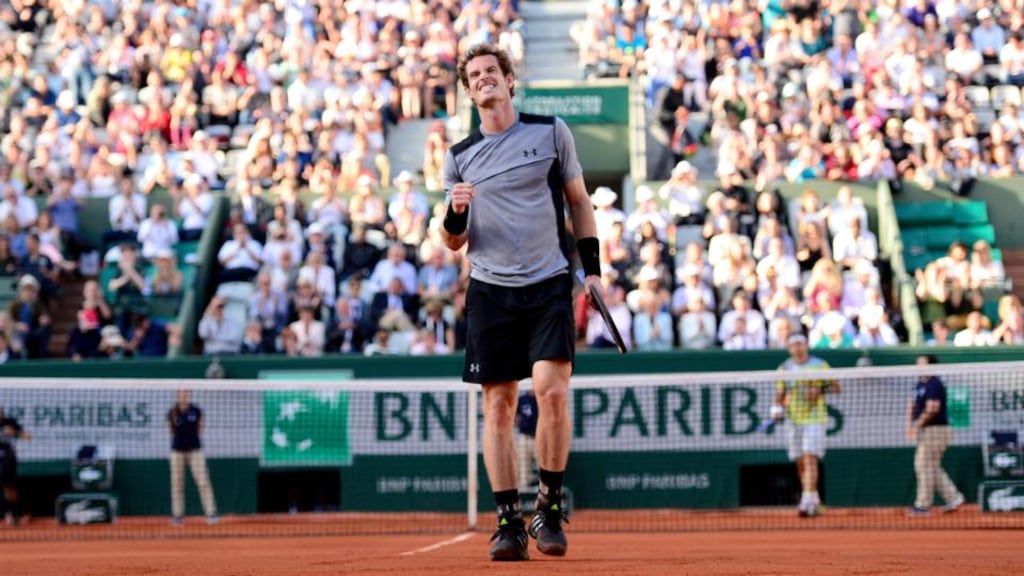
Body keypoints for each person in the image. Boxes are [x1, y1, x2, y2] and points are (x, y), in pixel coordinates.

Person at [442, 43, 602, 561]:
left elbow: (579, 201)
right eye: (476, 75)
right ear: (469, 91)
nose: (485, 79)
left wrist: (592, 271)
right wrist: (455, 212)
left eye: (493, 71)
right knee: (498, 406)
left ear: (510, 81)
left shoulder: (551, 131)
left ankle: (549, 508)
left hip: (550, 281)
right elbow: (452, 242)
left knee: (552, 392)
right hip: (490, 291)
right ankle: (508, 522)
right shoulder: (459, 156)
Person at [771, 334, 840, 518]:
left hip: (815, 419)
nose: (798, 348)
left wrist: (819, 389)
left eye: (800, 344)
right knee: (800, 461)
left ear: (806, 346)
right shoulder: (784, 368)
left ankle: (805, 501)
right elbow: (780, 392)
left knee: (810, 458)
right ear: (789, 349)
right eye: (794, 345)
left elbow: (836, 387)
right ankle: (813, 499)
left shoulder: (820, 365)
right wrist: (776, 408)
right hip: (793, 420)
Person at [907, 355, 965, 516]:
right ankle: (953, 497)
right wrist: (910, 426)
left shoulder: (934, 384)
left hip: (937, 430)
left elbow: (933, 408)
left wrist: (917, 424)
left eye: (923, 364)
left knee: (923, 464)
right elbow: (911, 405)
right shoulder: (919, 384)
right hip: (927, 430)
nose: (919, 367)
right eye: (917, 364)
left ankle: (923, 505)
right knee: (931, 466)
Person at [168, 390, 218, 526]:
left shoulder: (196, 410)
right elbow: (171, 430)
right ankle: (178, 515)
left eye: (186, 393)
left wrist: (191, 441)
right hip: (177, 451)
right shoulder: (173, 412)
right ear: (178, 395)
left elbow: (200, 428)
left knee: (203, 481)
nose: (184, 396)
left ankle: (211, 513)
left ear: (189, 395)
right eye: (181, 394)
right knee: (177, 483)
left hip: (195, 450)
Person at [0, 405, 29, 525]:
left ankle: (13, 514)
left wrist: (14, 433)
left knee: (10, 488)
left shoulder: (10, 422)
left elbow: (27, 436)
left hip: (7, 460)